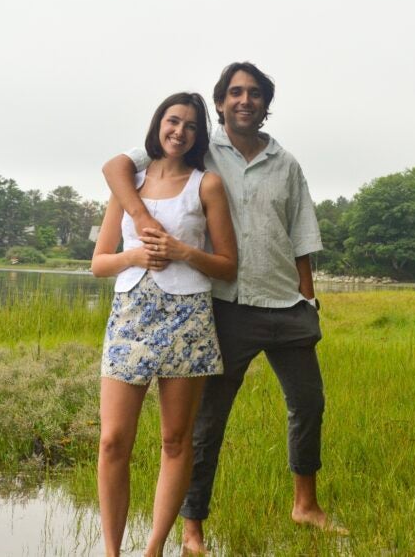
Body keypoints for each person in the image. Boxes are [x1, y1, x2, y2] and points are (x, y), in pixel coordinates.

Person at [103, 62, 338, 554]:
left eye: (254, 93)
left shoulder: (286, 163)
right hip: (227, 305)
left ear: (265, 105)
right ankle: (192, 529)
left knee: (308, 405)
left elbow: (301, 238)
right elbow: (118, 167)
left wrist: (309, 298)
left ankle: (306, 505)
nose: (244, 100)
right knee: (206, 423)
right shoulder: (198, 147)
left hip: (285, 301)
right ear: (221, 103)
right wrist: (142, 220)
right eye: (235, 92)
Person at [91, 91, 237, 557]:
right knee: (113, 440)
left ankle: (153, 548)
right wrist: (134, 255)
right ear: (158, 125)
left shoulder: (206, 185)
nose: (180, 131)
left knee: (175, 440)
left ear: (199, 136)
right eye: (173, 121)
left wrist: (182, 252)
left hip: (187, 319)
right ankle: (112, 552)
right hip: (130, 317)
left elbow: (227, 265)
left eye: (191, 126)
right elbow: (98, 262)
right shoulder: (128, 183)